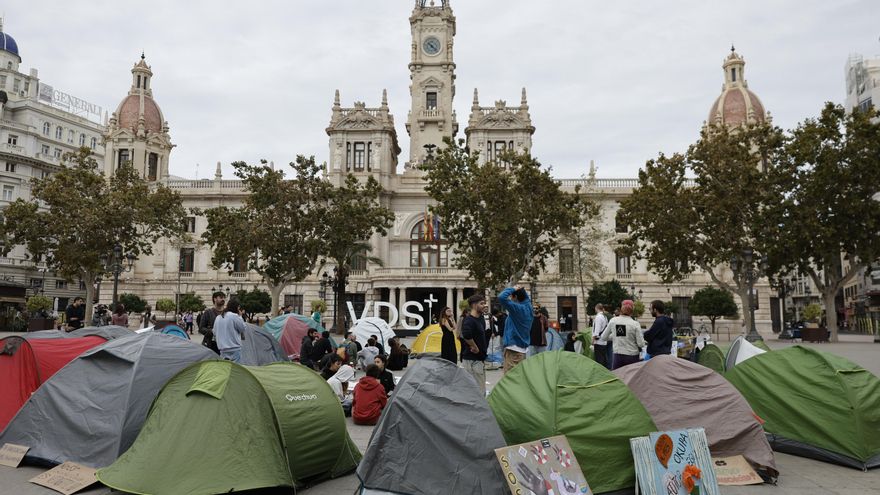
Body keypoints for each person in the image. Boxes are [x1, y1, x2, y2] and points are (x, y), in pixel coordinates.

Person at [601, 300, 645, 370]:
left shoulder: (613, 321)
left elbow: (603, 337)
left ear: (621, 309)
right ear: (632, 310)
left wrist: (615, 336)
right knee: (631, 376)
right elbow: (641, 344)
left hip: (618, 355)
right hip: (632, 356)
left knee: (618, 375)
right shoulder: (635, 324)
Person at [498, 285, 533, 373]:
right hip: (521, 350)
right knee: (519, 378)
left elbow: (501, 297)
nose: (510, 299)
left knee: (510, 379)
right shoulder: (528, 306)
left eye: (511, 297)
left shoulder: (517, 309)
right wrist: (520, 289)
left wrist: (513, 288)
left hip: (514, 350)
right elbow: (525, 298)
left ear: (516, 297)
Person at [460, 294, 489, 395]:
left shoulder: (481, 318)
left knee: (480, 390)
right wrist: (474, 347)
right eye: (481, 304)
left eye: (484, 303)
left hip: (480, 359)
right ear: (474, 305)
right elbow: (466, 335)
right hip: (472, 360)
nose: (484, 306)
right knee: (477, 391)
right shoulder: (469, 320)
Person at [591, 304, 611, 369]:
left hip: (598, 341)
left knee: (599, 360)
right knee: (603, 359)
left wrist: (592, 341)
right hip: (603, 341)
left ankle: (600, 372)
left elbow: (596, 331)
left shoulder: (598, 317)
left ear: (596, 308)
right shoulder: (604, 317)